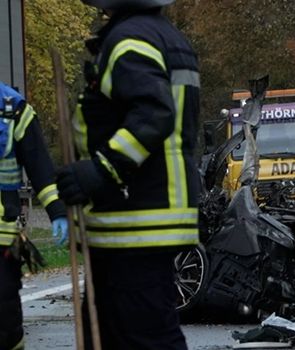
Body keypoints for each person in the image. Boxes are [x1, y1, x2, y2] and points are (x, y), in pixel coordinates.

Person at [55, 0, 200, 348]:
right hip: (145, 218)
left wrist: (99, 170)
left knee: (143, 338)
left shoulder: (130, 40)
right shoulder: (163, 36)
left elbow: (153, 115)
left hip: (135, 220)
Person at [0, 82, 69, 350]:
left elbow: (40, 167)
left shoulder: (13, 108)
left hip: (3, 239)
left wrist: (58, 211)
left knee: (6, 326)